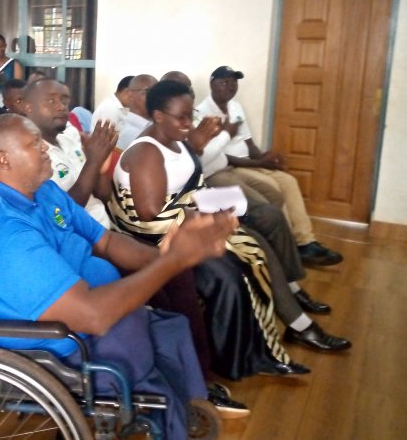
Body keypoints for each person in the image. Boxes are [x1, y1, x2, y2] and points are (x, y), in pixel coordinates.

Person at [0, 113, 237, 439]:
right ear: (3, 159)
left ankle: (183, 409)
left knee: (172, 326)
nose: (45, 148)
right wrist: (174, 260)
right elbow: (92, 316)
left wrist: (167, 258)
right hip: (62, 346)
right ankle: (170, 419)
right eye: (33, 143)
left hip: (95, 318)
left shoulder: (44, 192)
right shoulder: (6, 231)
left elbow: (107, 242)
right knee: (153, 345)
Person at [109, 81, 350, 373]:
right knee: (248, 253)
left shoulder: (174, 138)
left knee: (260, 229)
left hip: (187, 212)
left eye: (190, 115)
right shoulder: (146, 152)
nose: (188, 123)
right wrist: (205, 217)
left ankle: (293, 310)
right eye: (181, 117)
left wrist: (214, 203)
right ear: (158, 116)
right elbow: (149, 214)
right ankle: (286, 331)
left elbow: (187, 185)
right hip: (160, 233)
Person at [196, 66, 343, 267]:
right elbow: (217, 156)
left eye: (234, 82)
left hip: (249, 161)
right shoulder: (202, 114)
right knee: (271, 187)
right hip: (232, 165)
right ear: (212, 84)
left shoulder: (236, 107)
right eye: (224, 82)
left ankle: (305, 242)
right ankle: (289, 246)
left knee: (288, 180)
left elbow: (249, 143)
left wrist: (266, 158)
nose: (230, 86)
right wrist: (257, 163)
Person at [22, 78, 116, 228]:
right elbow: (63, 214)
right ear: (28, 107)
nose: (61, 107)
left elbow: (103, 196)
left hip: (103, 227)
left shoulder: (70, 134)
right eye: (50, 101)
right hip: (75, 236)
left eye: (64, 100)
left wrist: (101, 167)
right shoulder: (29, 154)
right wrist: (93, 162)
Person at [117, 74, 157, 149]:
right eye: (149, 91)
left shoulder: (153, 125)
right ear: (130, 94)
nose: (155, 97)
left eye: (158, 92)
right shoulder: (128, 132)